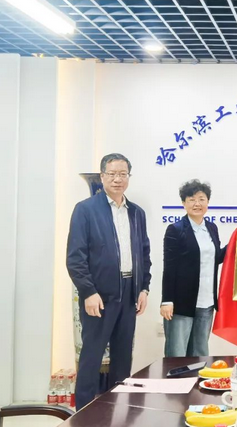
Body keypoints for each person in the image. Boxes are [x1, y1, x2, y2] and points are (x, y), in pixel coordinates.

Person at [67, 153, 151, 410]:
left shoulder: (137, 213)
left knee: (123, 357)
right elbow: (75, 257)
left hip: (129, 293)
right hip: (99, 296)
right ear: (102, 176)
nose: (117, 179)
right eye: (112, 174)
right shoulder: (85, 209)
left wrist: (144, 288)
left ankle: (118, 411)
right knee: (91, 357)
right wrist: (88, 291)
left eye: (123, 174)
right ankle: (83, 414)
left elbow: (144, 254)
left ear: (129, 177)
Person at [160, 180, 226, 357]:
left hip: (206, 302)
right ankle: (175, 379)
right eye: (191, 199)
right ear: (183, 203)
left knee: (200, 353)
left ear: (208, 202)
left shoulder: (212, 228)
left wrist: (236, 243)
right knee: (177, 354)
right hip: (181, 303)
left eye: (201, 199)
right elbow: (169, 268)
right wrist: (167, 301)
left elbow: (216, 258)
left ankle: (198, 377)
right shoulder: (175, 230)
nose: (197, 204)